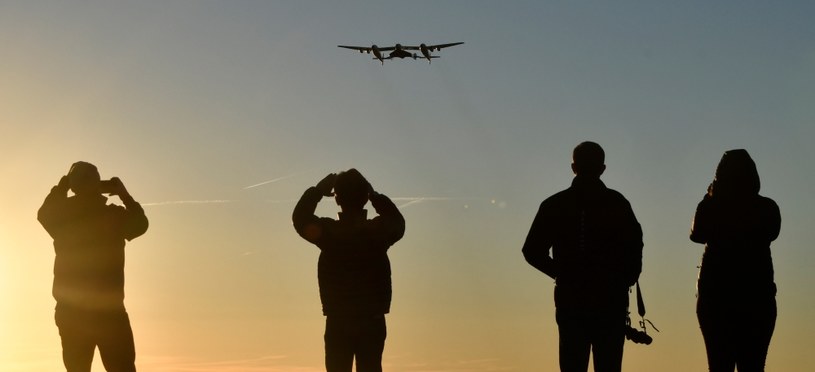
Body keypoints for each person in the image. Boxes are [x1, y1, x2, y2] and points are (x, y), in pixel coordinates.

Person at [522, 141, 643, 372]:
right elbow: (635, 245)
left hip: (572, 300)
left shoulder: (554, 204)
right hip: (610, 300)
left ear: (573, 167)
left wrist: (563, 274)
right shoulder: (618, 203)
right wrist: (624, 278)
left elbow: (531, 251)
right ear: (603, 168)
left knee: (572, 364)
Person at [38, 161, 149, 372]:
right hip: (110, 312)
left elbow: (44, 213)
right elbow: (141, 224)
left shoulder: (63, 217)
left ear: (73, 185)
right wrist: (124, 195)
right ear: (98, 184)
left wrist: (62, 186)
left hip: (72, 312)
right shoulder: (113, 217)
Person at [292, 169, 405, 372]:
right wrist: (375, 196)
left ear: (337, 199)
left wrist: (317, 191)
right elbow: (398, 222)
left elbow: (300, 219)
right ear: (364, 198)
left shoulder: (330, 234)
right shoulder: (377, 233)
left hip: (338, 319)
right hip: (372, 319)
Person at [690, 149, 780, 372]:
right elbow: (772, 232)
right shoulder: (767, 207)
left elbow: (697, 234)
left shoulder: (711, 206)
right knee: (753, 364)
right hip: (757, 297)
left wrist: (710, 193)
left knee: (719, 364)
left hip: (716, 298)